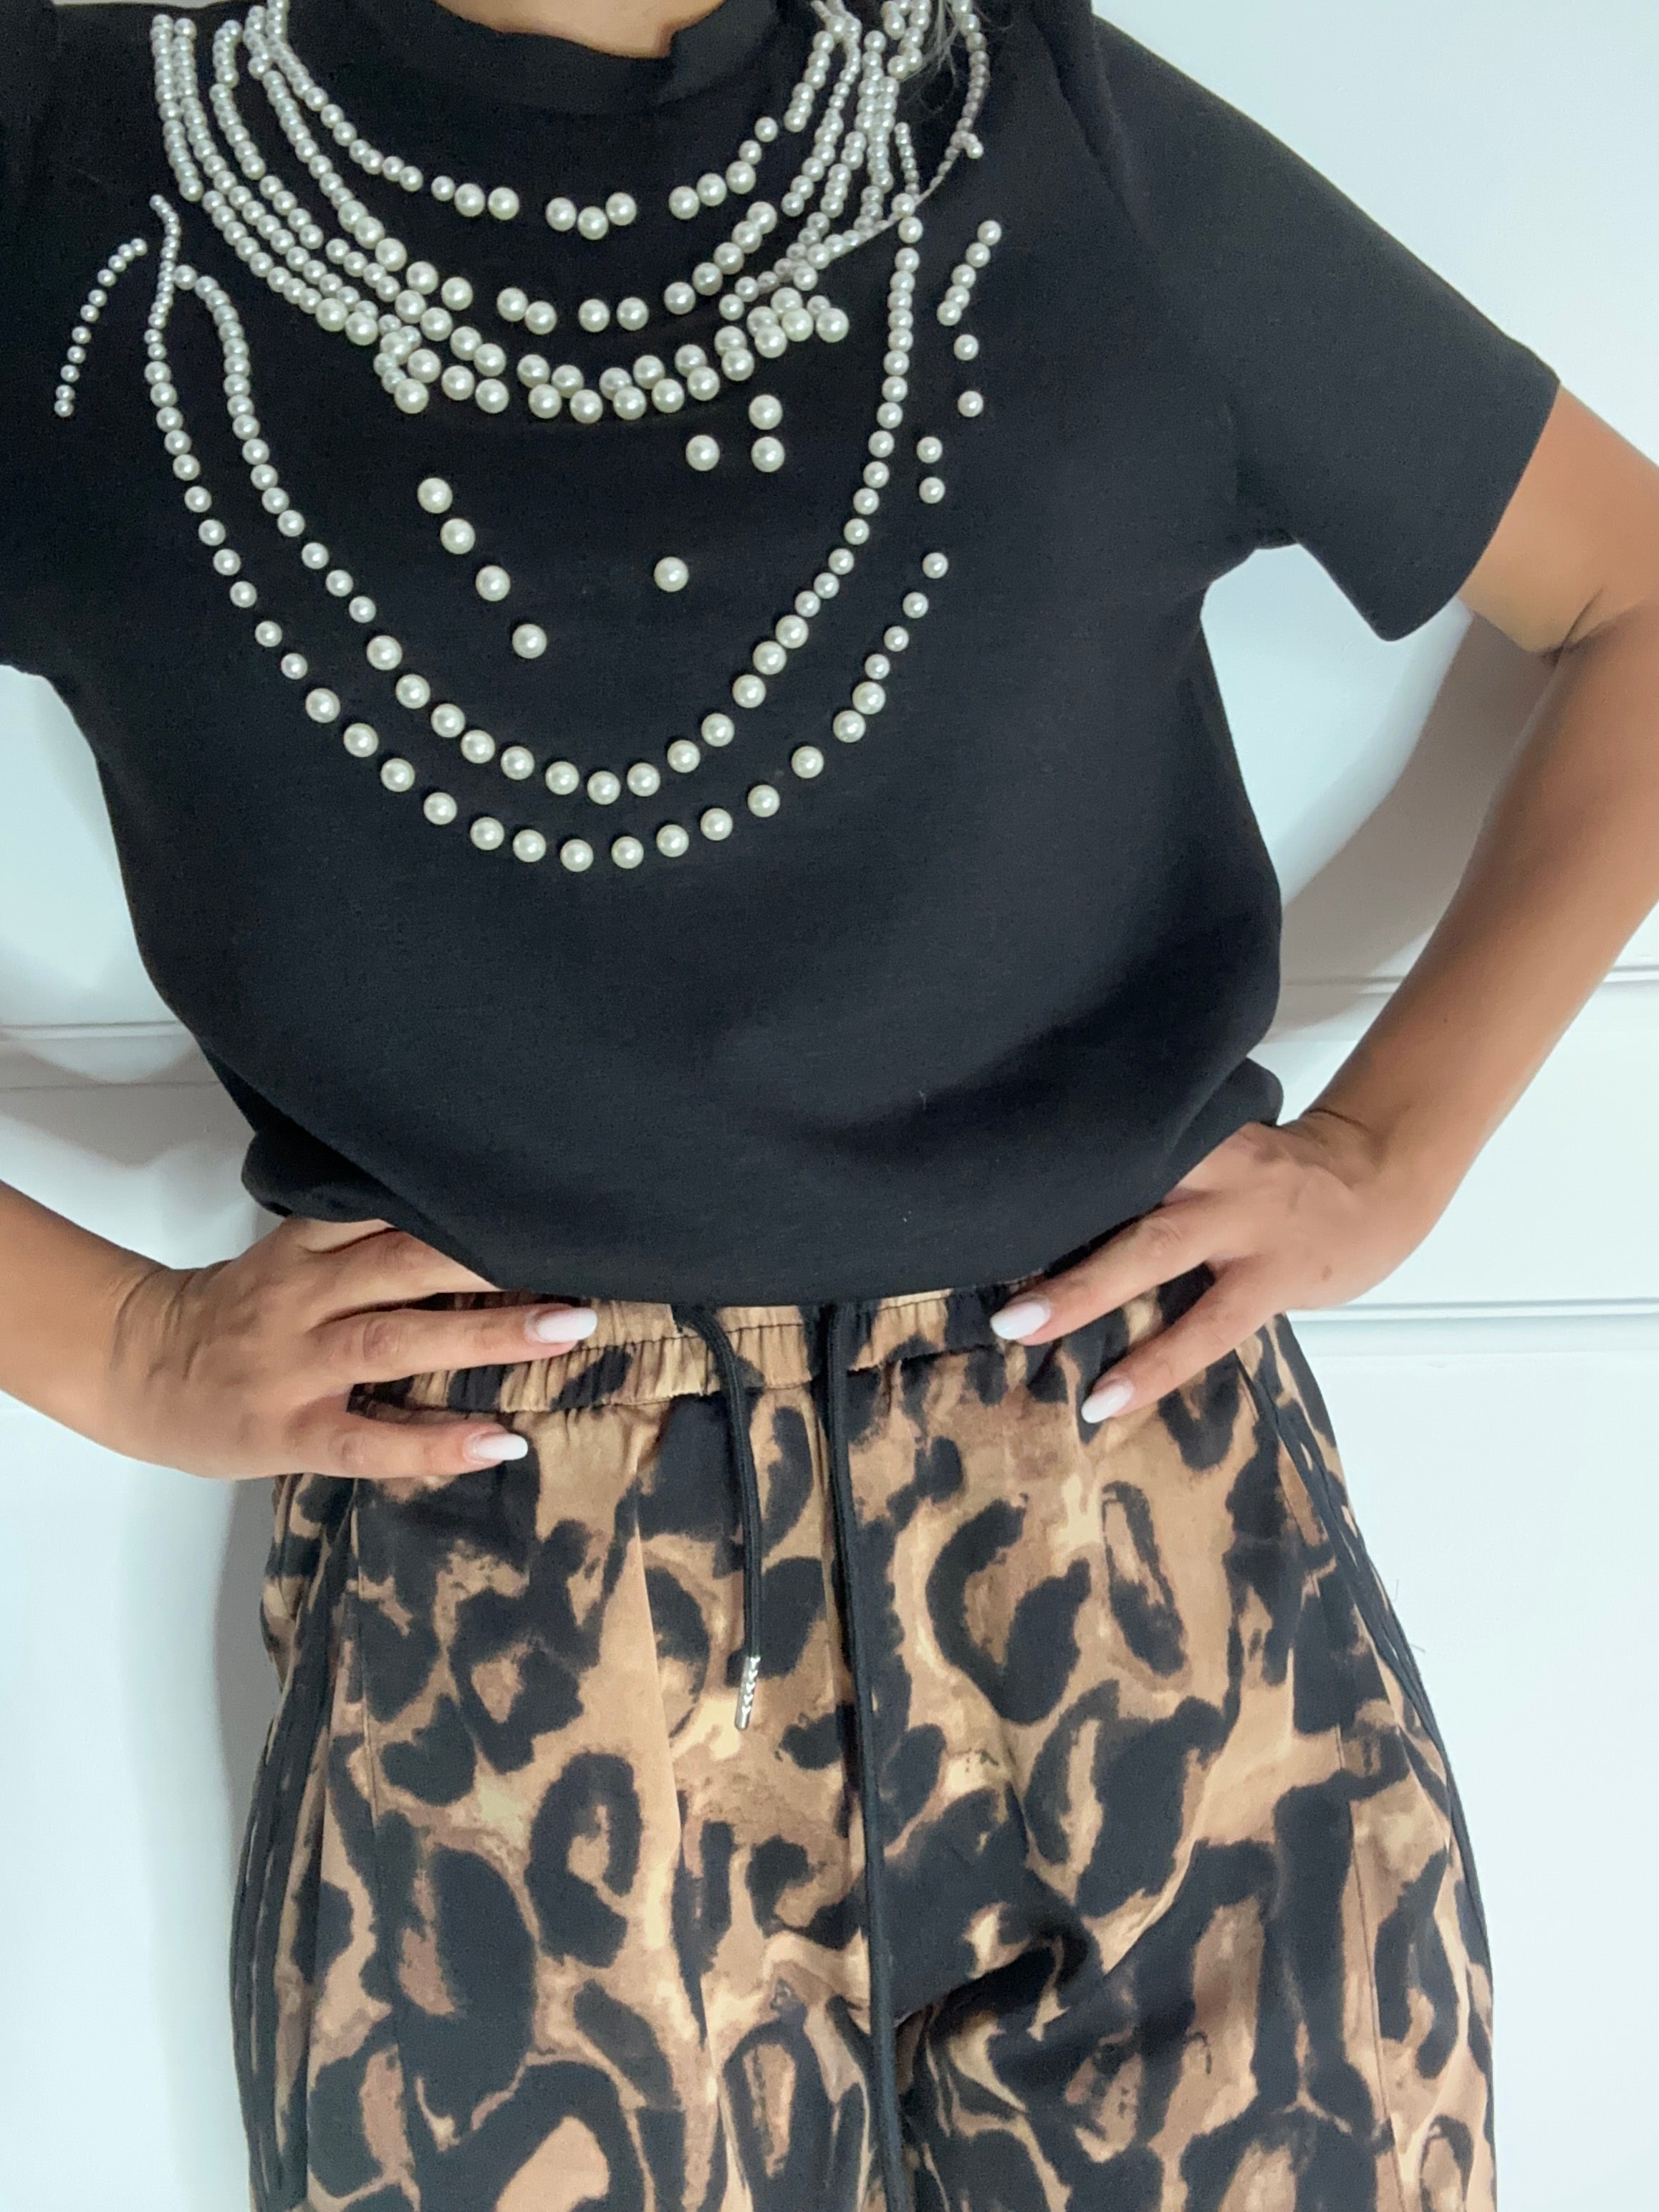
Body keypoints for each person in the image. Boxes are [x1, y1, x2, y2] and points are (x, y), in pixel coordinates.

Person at [1, 0, 1655, 2203]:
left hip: (1139, 1504)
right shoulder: (65, 157)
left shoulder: (1031, 117)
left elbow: (1633, 591)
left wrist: (1393, 1149)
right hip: (511, 1587)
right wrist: (108, 1342)